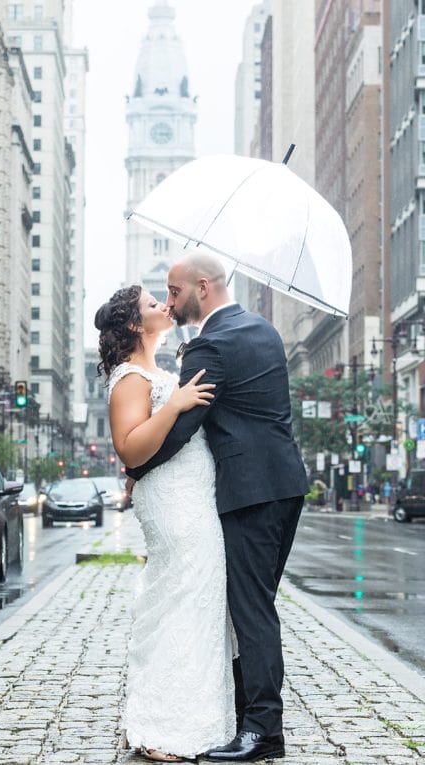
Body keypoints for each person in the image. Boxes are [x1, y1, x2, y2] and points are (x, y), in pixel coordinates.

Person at [128, 252, 309, 763]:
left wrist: (136, 469)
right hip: (284, 485)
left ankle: (262, 731)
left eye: (174, 290)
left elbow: (183, 427)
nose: (169, 300)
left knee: (251, 610)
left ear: (202, 287)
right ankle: (243, 711)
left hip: (249, 491)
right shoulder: (263, 330)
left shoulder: (213, 343)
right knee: (255, 606)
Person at [97, 285, 235, 762]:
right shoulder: (131, 377)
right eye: (154, 304)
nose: (165, 306)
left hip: (195, 494)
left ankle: (188, 717)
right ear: (136, 325)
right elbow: (130, 447)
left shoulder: (160, 370)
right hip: (173, 503)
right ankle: (158, 727)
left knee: (198, 598)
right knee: (179, 597)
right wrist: (175, 404)